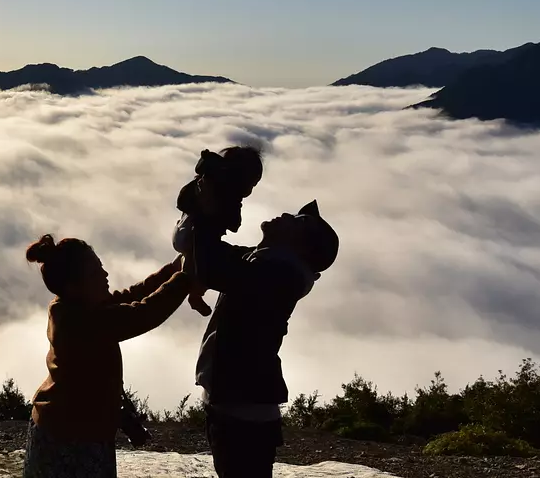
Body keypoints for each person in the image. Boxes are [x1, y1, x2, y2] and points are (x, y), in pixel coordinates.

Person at [176, 200, 339, 478]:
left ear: (300, 247)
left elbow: (211, 264)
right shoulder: (265, 262)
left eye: (298, 222)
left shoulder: (278, 275)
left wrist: (210, 205)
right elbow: (203, 253)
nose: (287, 215)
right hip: (239, 407)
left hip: (242, 413)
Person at [23, 233, 190, 478]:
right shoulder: (80, 321)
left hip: (69, 429)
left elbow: (129, 298)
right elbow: (141, 314)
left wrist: (170, 272)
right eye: (95, 273)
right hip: (72, 438)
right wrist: (183, 280)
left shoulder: (73, 306)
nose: (105, 275)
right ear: (74, 286)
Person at [174, 145, 264, 316]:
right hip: (195, 237)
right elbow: (234, 223)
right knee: (205, 266)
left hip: (182, 230)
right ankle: (194, 292)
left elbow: (182, 201)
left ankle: (182, 271)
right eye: (252, 184)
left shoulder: (204, 180)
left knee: (196, 258)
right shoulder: (226, 192)